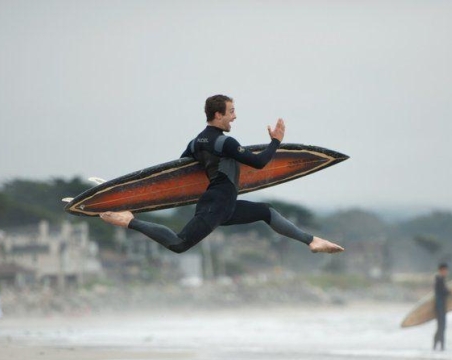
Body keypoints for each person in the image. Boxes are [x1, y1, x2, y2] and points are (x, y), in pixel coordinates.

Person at [100, 94, 344, 255]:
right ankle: (128, 221)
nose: (234, 116)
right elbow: (259, 163)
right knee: (179, 243)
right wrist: (275, 142)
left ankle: (311, 240)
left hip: (224, 205)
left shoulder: (196, 142)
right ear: (218, 115)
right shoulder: (224, 142)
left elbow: (181, 172)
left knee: (266, 212)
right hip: (216, 205)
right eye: (231, 111)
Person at [433, 263, 452, 351]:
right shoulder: (439, 280)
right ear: (441, 270)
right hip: (439, 307)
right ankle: (440, 347)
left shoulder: (440, 279)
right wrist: (450, 292)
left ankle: (438, 346)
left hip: (441, 307)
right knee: (442, 327)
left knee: (441, 327)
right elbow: (444, 293)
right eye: (445, 270)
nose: (446, 272)